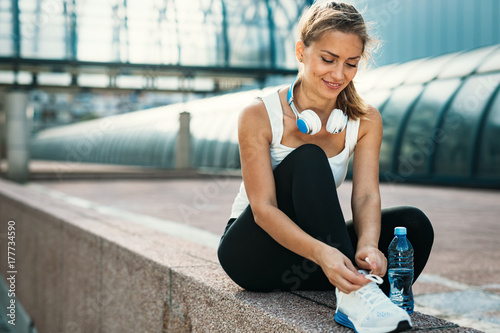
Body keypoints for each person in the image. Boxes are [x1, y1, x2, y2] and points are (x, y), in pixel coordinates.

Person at [217, 2, 434, 333]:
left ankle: (353, 288)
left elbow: (364, 196)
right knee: (309, 157)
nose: (338, 75)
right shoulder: (258, 115)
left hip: (310, 262)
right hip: (253, 253)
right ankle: (357, 295)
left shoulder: (365, 119)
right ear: (301, 51)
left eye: (351, 64)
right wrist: (325, 253)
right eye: (328, 59)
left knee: (413, 225)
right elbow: (262, 209)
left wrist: (367, 244)